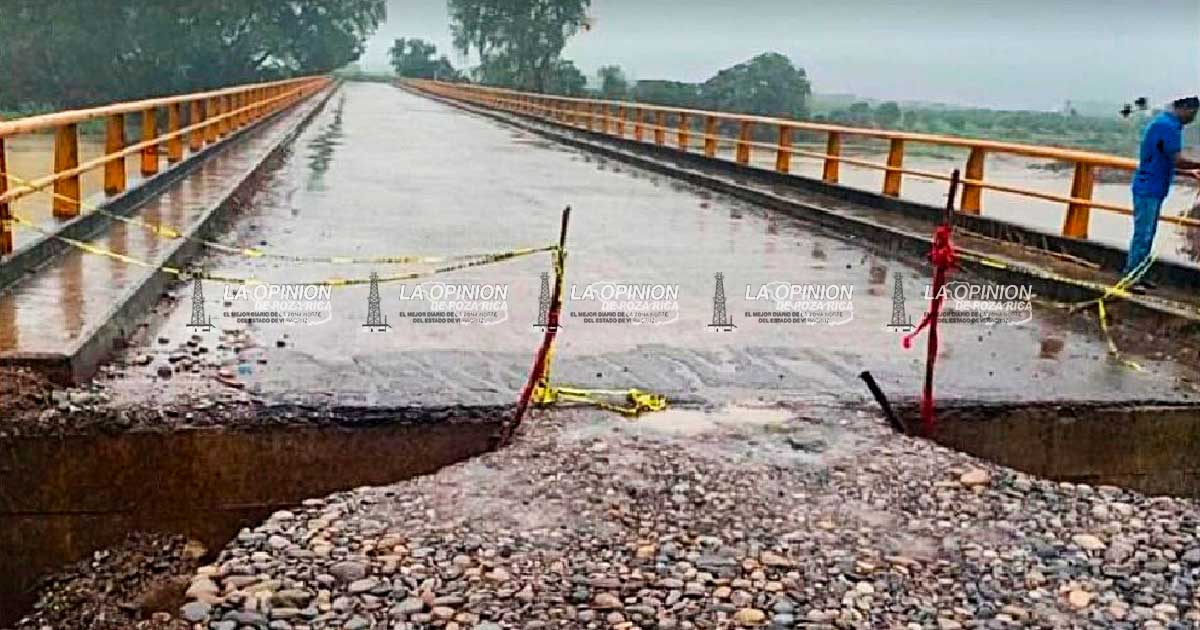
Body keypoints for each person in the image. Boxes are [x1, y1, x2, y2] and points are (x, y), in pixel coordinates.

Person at [1125, 96, 1200, 292]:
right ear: (1183, 108)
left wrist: (1189, 172)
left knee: (1148, 235)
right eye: (1193, 113)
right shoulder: (1168, 127)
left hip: (1154, 187)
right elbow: (1177, 159)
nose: (1193, 118)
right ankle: (1131, 277)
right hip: (1148, 188)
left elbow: (1164, 160)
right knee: (1143, 234)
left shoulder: (1165, 123)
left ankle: (1140, 274)